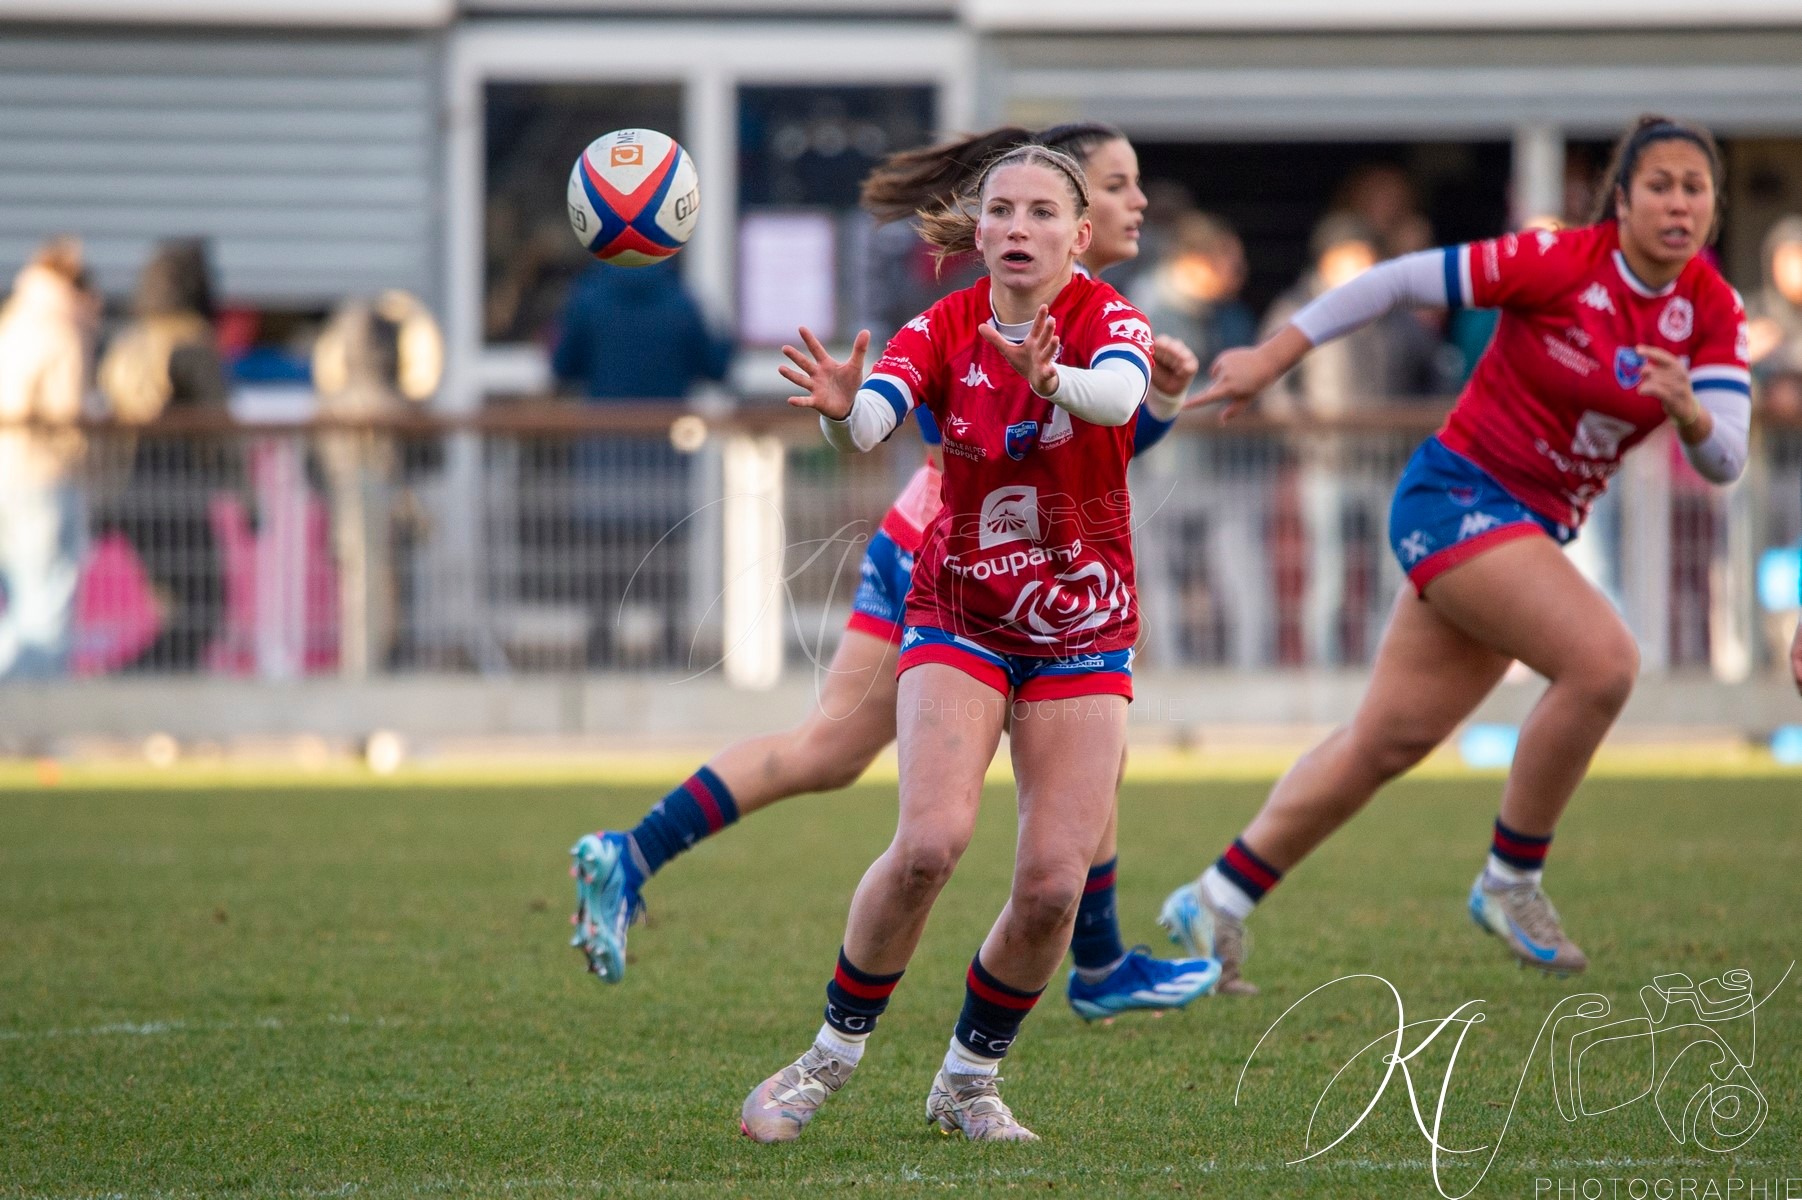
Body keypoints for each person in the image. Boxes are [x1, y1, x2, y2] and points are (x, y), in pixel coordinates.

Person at [570, 122, 1216, 1024]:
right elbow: (1021, 423)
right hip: (940, 557)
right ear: (1066, 209)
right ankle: (632, 852)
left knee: (1077, 759)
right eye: (1118, 183)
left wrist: (1168, 396)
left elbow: (1099, 442)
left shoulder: (1094, 314)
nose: (1136, 202)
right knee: (831, 755)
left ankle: (1099, 960)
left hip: (1015, 568)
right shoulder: (1008, 311)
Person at [1159, 115, 1751, 990]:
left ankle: (1214, 899)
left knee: (1386, 741)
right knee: (1606, 661)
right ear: (1620, 200)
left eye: (1693, 188)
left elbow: (1727, 454)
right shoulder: (1559, 263)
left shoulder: (1712, 308)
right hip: (1454, 498)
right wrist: (1275, 356)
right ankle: (1511, 880)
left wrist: (1693, 414)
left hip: (1526, 529)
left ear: (1712, 207)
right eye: (1658, 185)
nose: (1677, 202)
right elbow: (1396, 280)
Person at [739, 142, 1156, 1143]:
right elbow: (875, 414)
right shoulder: (945, 324)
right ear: (977, 235)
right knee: (928, 844)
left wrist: (1054, 378)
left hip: (1081, 630)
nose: (1018, 228)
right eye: (1000, 212)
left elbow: (1120, 398)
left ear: (1077, 236)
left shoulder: (1110, 323)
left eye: (1041, 213)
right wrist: (844, 415)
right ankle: (825, 1059)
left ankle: (967, 1080)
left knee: (1055, 885)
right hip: (959, 615)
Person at [97, 238, 238, 671]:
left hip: (126, 493)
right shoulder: (193, 342)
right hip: (178, 492)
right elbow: (218, 427)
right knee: (206, 605)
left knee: (178, 606)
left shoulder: (130, 341)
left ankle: (155, 705)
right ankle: (134, 689)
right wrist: (245, 495)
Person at [0, 236, 97, 680]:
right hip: (42, 476)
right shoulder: (62, 329)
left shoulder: (13, 320)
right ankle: (37, 713)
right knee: (46, 597)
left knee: (14, 602)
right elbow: (66, 414)